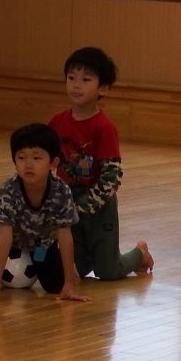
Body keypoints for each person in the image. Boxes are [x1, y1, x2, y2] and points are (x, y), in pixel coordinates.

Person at [48, 46, 152, 281]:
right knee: (75, 267)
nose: (76, 85)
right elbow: (47, 161)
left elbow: (111, 177)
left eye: (85, 80)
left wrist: (83, 207)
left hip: (99, 207)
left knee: (108, 271)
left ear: (103, 88)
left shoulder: (103, 127)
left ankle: (140, 254)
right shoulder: (57, 121)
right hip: (68, 202)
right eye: (71, 78)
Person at [0, 124, 89, 303]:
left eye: (37, 158)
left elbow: (64, 234)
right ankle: (6, 265)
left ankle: (35, 262)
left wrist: (68, 282)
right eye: (21, 157)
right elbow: (4, 232)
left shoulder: (61, 191)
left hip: (41, 244)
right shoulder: (10, 188)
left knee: (55, 285)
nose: (28, 164)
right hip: (0, 238)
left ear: (54, 162)